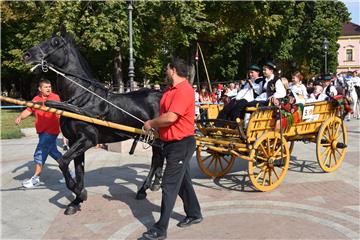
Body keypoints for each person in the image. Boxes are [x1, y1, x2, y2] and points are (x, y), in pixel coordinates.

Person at [142, 57, 202, 240]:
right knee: (182, 181)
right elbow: (166, 118)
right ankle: (194, 214)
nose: (165, 72)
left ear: (174, 70)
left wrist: (151, 123)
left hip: (181, 144)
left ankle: (160, 229)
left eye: (167, 69)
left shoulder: (184, 90)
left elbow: (171, 117)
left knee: (169, 185)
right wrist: (158, 131)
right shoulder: (170, 90)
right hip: (170, 143)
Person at [15, 79, 63, 188]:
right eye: (46, 87)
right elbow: (28, 110)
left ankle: (35, 178)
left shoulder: (55, 98)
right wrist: (20, 117)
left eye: (49, 86)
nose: (48, 89)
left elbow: (59, 112)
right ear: (40, 89)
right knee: (54, 153)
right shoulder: (36, 99)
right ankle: (69, 173)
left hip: (51, 131)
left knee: (40, 153)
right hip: (42, 131)